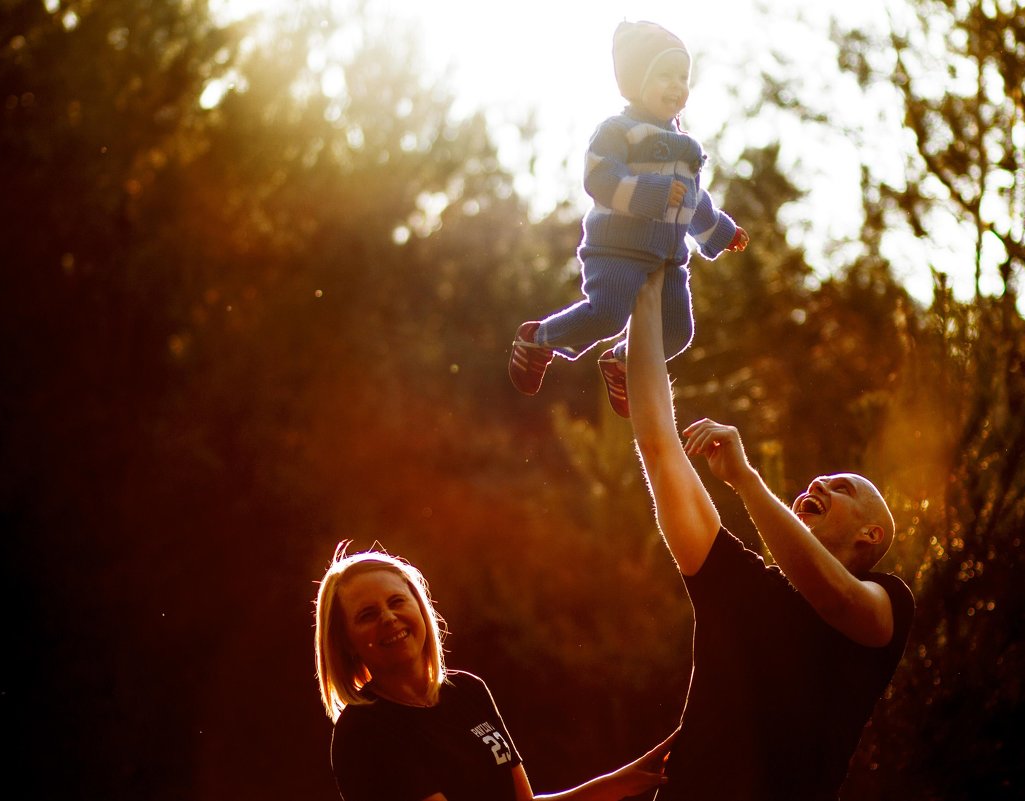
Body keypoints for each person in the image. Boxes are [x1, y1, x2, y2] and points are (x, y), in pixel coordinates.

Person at [625, 268, 914, 800]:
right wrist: (646, 277)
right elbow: (659, 444)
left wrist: (746, 481)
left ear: (871, 535)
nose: (820, 481)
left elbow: (835, 598)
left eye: (843, 487)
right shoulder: (738, 584)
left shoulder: (887, 604)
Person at [508, 20, 748, 419]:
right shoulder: (618, 130)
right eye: (664, 76)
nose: (677, 85)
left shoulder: (687, 147)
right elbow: (599, 177)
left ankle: (620, 362)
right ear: (636, 82)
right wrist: (650, 195)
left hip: (668, 257)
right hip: (617, 248)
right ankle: (538, 339)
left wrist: (720, 231)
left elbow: (692, 199)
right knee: (607, 313)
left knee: (678, 332)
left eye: (683, 76)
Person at [315, 543, 677, 801]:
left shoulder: (469, 692)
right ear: (345, 642)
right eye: (367, 615)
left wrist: (618, 784)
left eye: (396, 602)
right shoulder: (363, 733)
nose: (389, 619)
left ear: (419, 607)